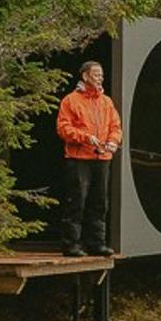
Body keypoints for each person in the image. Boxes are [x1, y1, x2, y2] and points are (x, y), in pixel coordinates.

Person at [55, 60, 121, 256]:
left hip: (102, 157)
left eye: (101, 74)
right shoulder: (70, 100)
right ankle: (71, 244)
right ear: (85, 76)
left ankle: (96, 243)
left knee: (100, 202)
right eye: (96, 74)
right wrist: (86, 138)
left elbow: (116, 126)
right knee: (77, 201)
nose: (100, 77)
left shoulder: (107, 102)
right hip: (78, 157)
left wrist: (113, 142)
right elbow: (63, 128)